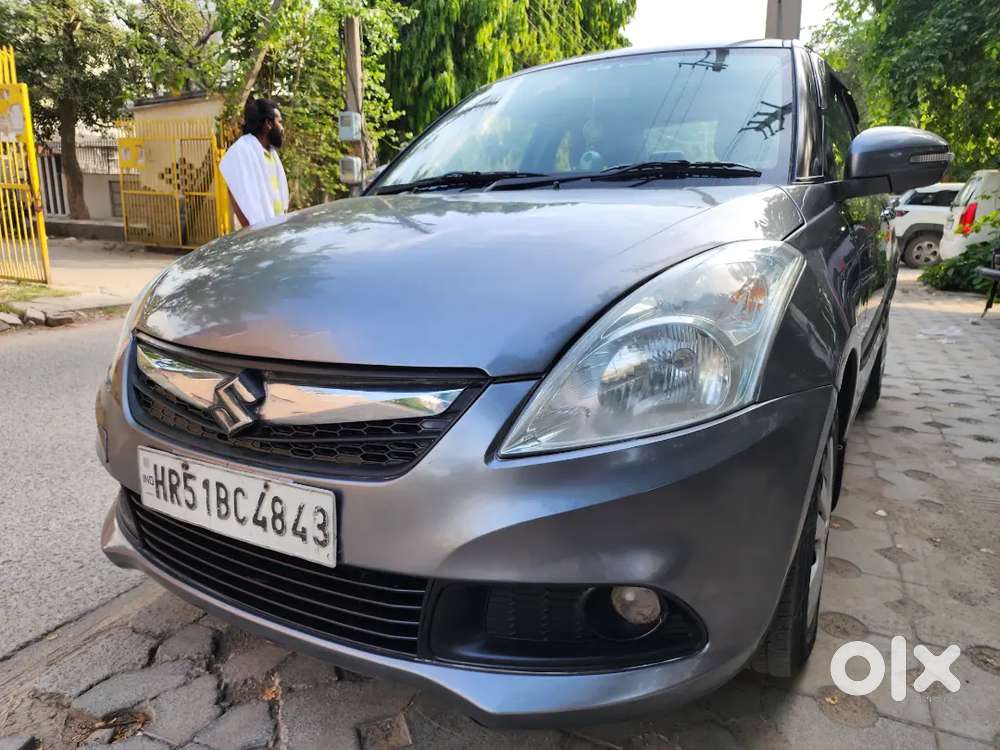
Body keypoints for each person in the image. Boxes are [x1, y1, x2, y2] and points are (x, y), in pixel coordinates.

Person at [219, 98, 289, 228]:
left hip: (277, 229)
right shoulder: (241, 151)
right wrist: (254, 232)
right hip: (260, 233)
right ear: (268, 123)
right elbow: (237, 196)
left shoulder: (270, 152)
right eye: (279, 122)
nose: (282, 128)